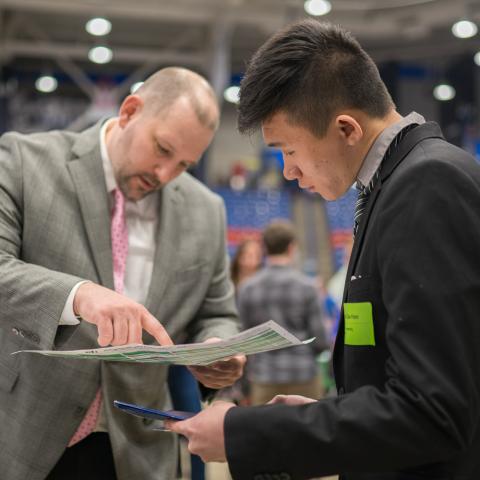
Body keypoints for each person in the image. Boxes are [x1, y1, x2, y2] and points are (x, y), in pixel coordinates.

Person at [166, 20, 480, 480]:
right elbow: (398, 381)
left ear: (346, 128)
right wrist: (319, 415)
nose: (289, 173)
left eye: (288, 151)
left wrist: (251, 432)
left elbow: (433, 413)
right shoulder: (393, 185)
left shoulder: (427, 185)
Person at [0, 66, 246, 480]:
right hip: (25, 438)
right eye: (162, 149)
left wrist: (215, 345)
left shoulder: (207, 210)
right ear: (130, 111)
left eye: (184, 164)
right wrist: (79, 295)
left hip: (138, 452)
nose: (165, 175)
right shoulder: (23, 160)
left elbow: (215, 311)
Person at [237, 220, 327, 405]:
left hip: (264, 378)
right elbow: (320, 341)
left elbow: (242, 342)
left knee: (266, 433)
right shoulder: (308, 287)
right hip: (304, 377)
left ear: (264, 248)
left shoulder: (247, 288)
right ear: (291, 248)